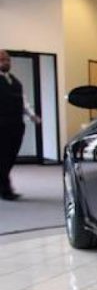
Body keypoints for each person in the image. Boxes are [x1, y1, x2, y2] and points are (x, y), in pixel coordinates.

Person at [0, 49, 41, 201]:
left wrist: (32, 115)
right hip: (1, 125)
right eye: (2, 60)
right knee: (3, 158)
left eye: (7, 60)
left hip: (17, 124)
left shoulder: (15, 81)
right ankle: (5, 189)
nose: (6, 62)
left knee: (10, 157)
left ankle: (3, 186)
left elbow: (24, 102)